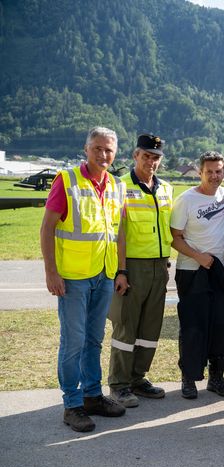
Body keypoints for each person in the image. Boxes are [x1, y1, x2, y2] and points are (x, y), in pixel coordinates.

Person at [40, 127, 127, 432]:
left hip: (104, 274)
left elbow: (119, 232)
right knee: (73, 342)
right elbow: (47, 228)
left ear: (115, 154)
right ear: (86, 149)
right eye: (98, 148)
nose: (104, 155)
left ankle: (92, 396)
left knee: (94, 340)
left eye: (109, 150)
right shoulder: (67, 181)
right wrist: (51, 272)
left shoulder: (117, 186)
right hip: (73, 278)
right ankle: (72, 404)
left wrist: (121, 270)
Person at [107, 133, 172, 408]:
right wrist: (121, 271)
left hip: (160, 266)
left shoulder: (166, 188)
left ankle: (138, 378)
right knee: (126, 326)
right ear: (135, 156)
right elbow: (118, 233)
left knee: (149, 327)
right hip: (131, 267)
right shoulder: (120, 186)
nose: (151, 161)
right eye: (146, 156)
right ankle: (119, 384)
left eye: (156, 157)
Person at [170, 151, 224, 399]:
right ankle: (188, 378)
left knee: (219, 324)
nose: (214, 176)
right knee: (193, 326)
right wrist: (198, 256)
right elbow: (175, 238)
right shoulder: (186, 200)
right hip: (191, 270)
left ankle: (216, 378)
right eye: (209, 172)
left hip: (217, 271)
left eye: (219, 171)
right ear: (200, 172)